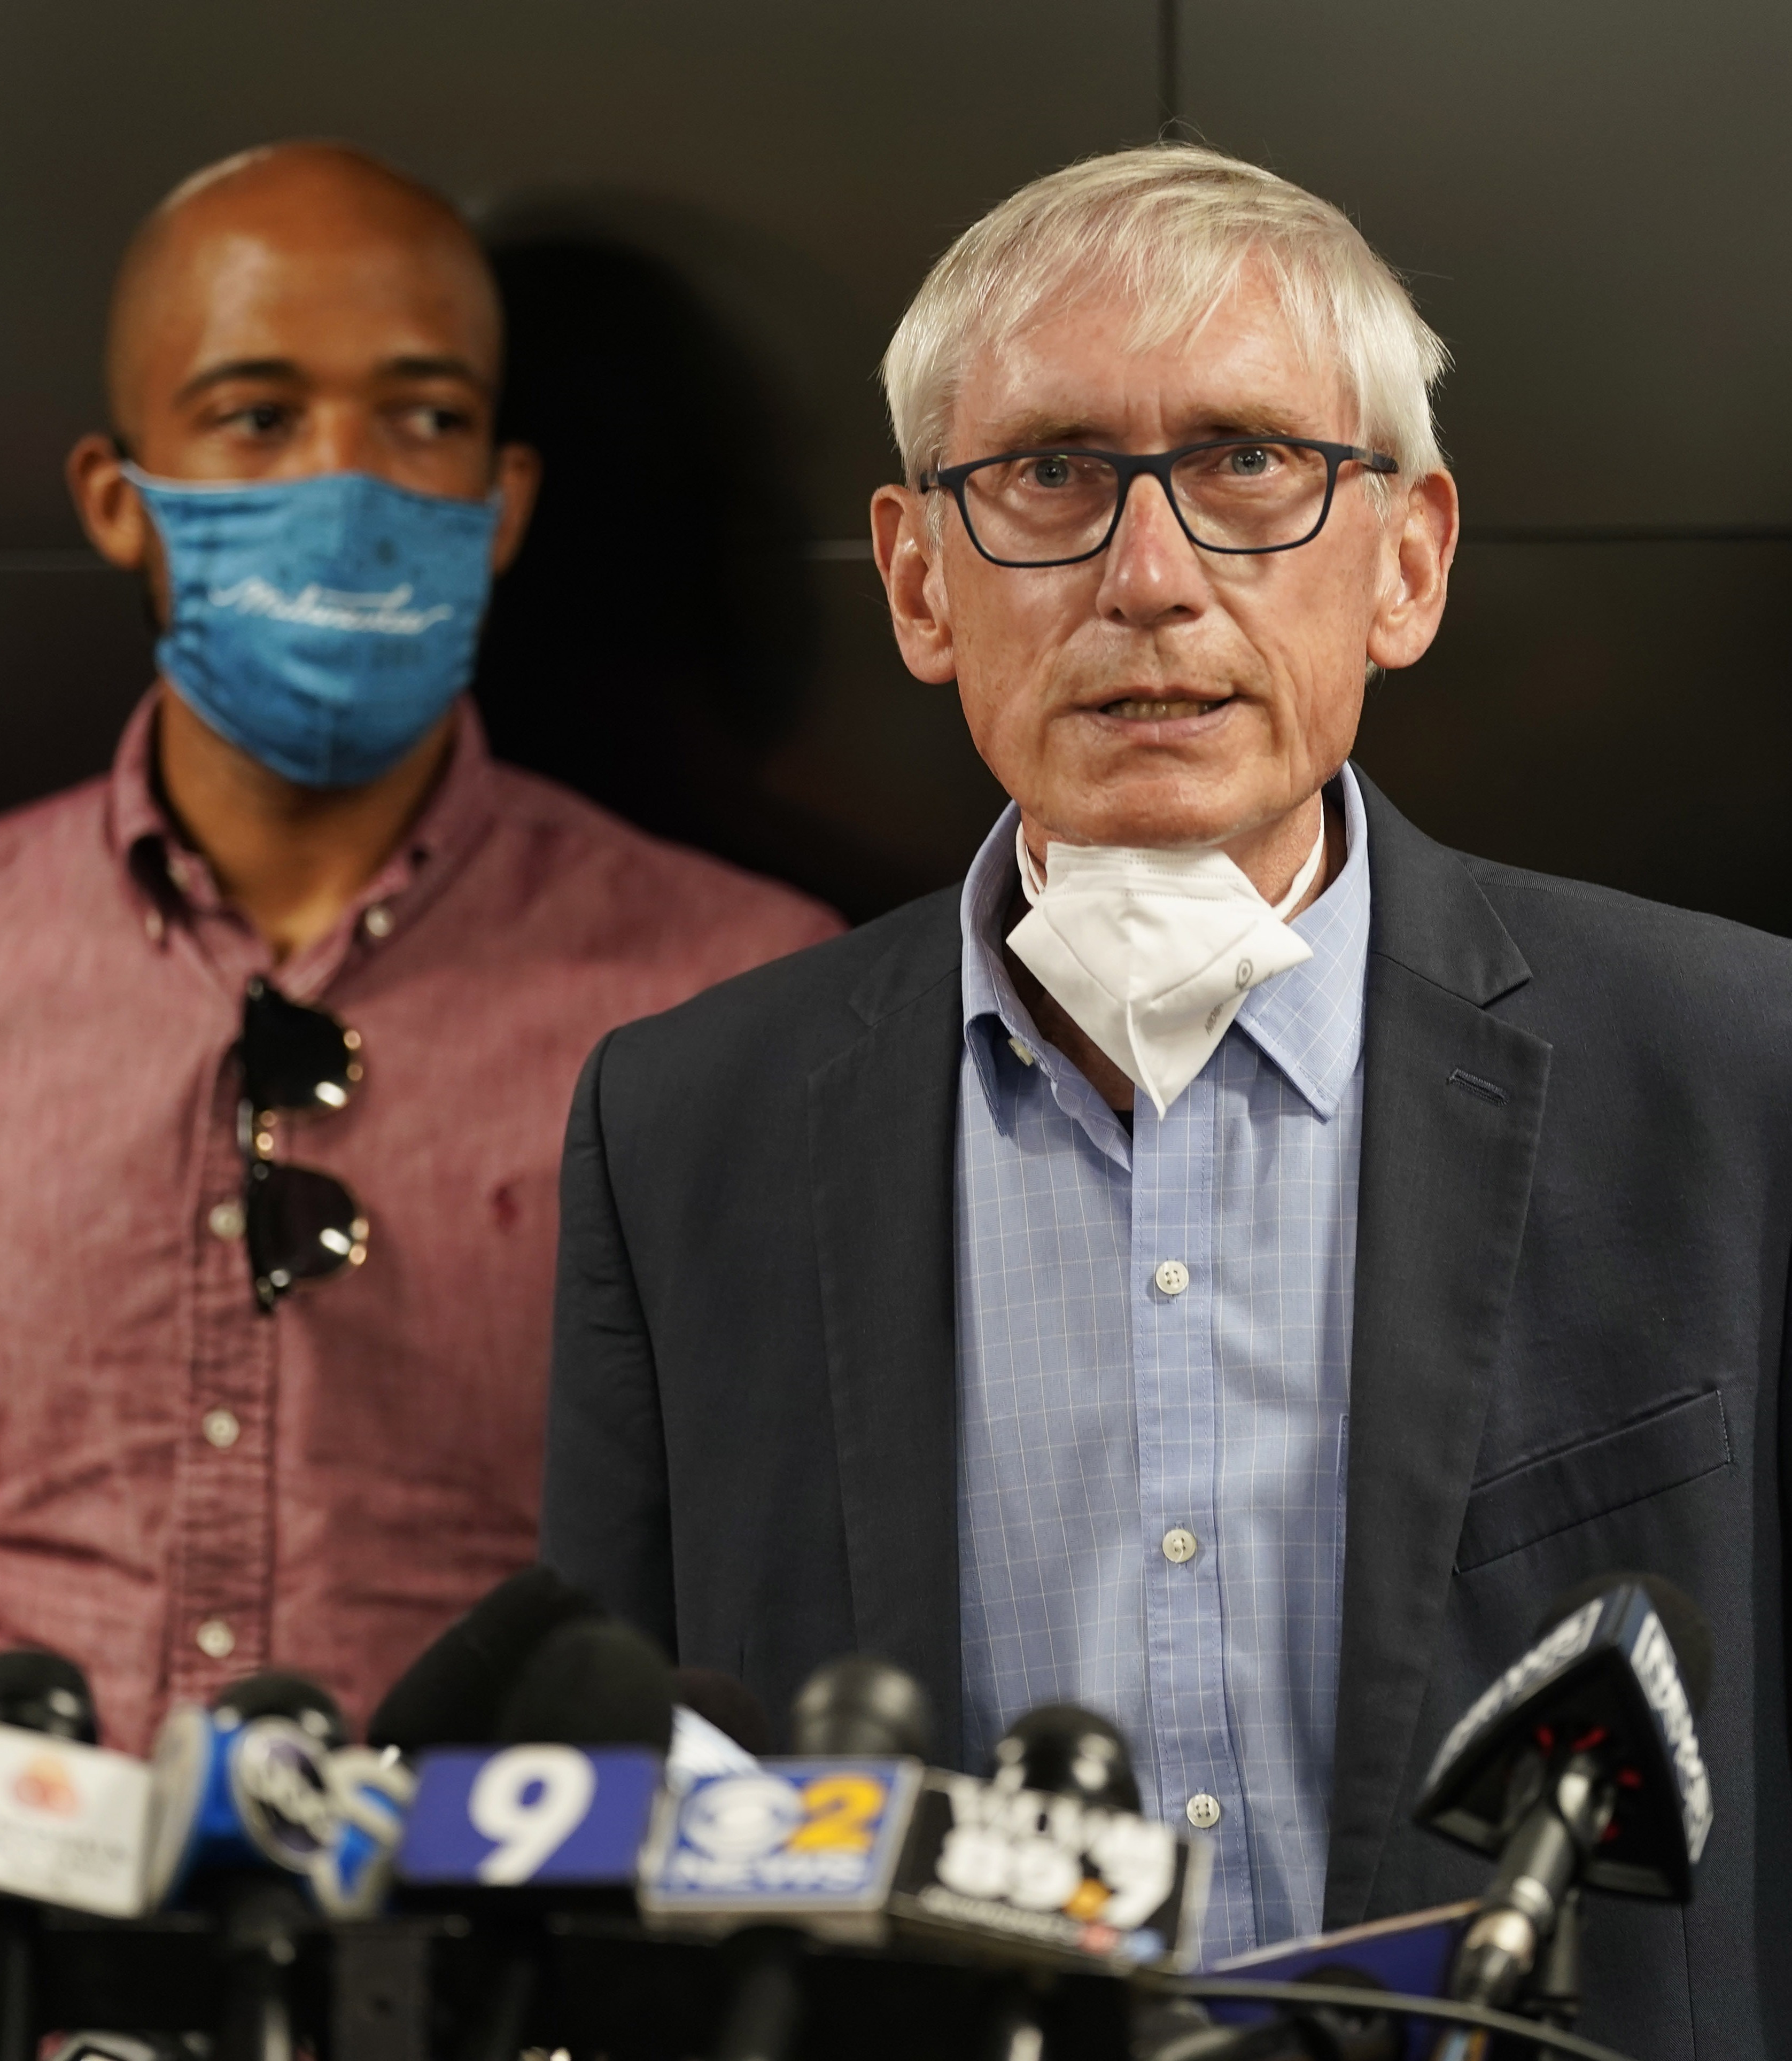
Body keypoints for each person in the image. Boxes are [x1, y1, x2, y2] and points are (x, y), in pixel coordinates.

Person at [541, 145, 1790, 2052]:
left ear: (1408, 560)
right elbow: (625, 1856)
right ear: (915, 578)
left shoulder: (1734, 1073)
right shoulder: (684, 1129)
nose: (1149, 577)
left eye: (1248, 465)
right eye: (1047, 475)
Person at [0, 142, 838, 1751]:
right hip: (0, 1984)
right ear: (119, 500)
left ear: (503, 500)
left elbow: (788, 1616)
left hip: (517, 1981)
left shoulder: (738, 991)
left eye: (425, 417)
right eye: (256, 415)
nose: (349, 486)